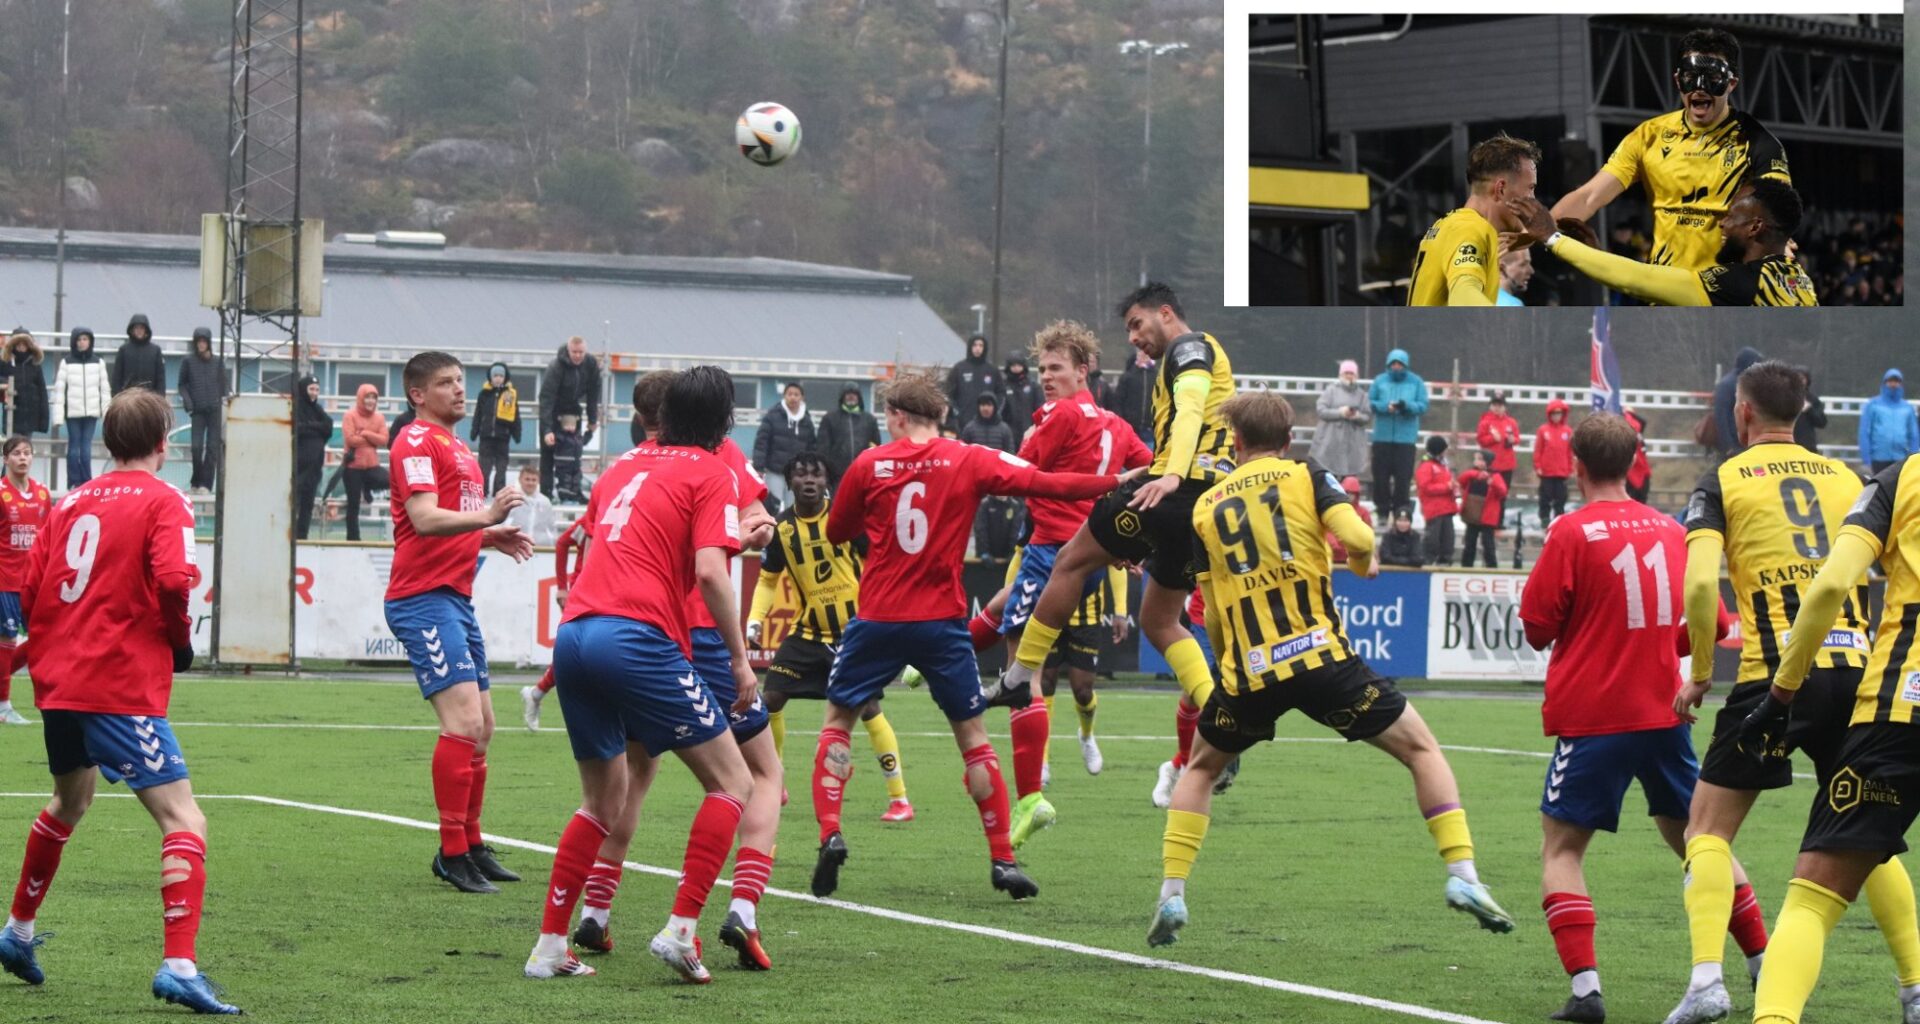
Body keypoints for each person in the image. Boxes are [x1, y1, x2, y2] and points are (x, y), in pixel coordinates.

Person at [1147, 390, 1514, 947]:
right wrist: (1364, 563)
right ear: (1288, 439)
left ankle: (1172, 894)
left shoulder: (1204, 508)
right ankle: (1463, 875)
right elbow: (1360, 538)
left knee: (1199, 769)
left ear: (1237, 443)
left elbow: (1214, 608)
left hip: (1250, 671)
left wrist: (1228, 670)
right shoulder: (1304, 473)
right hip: (1322, 661)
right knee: (1422, 750)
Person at [806, 371, 1127, 901]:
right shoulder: (969, 458)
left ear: (897, 416)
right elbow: (1046, 482)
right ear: (941, 417)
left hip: (879, 618)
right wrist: (1115, 482)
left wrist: (875, 516)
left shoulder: (869, 464)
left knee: (838, 721)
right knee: (973, 739)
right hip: (941, 622)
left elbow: (837, 531)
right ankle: (1003, 859)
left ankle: (831, 833)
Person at [1665, 360, 1920, 1024]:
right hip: (1862, 673)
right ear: (1802, 413)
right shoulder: (1850, 476)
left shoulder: (1722, 478)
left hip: (1773, 675)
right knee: (1867, 831)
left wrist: (1697, 671)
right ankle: (1914, 985)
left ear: (1742, 414)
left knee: (1707, 829)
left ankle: (1705, 983)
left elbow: (1697, 586)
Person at [0, 390, 240, 1013]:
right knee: (185, 820)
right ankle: (179, 965)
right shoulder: (168, 500)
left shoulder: (69, 500)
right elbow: (172, 579)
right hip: (118, 686)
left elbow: (28, 592)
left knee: (69, 801)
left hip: (60, 685)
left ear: (108, 442)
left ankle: (18, 931)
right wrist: (179, 642)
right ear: (165, 442)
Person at [524, 366, 761, 984]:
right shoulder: (714, 471)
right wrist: (739, 659)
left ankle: (550, 946)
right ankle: (682, 930)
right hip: (636, 636)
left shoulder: (621, 467)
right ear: (724, 421)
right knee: (734, 782)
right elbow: (711, 571)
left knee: (602, 800)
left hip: (574, 636)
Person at [990, 283, 1237, 812]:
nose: (1134, 339)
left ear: (1165, 313)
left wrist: (1168, 477)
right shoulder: (1193, 360)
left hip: (1181, 489)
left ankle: (1016, 675)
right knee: (1161, 621)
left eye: (1137, 325)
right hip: (1204, 502)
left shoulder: (1188, 351)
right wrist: (1155, 471)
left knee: (1072, 559)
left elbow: (1192, 411)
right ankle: (1218, 711)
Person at [1518, 414, 1701, 1024]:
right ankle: (1759, 961)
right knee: (1701, 843)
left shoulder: (1570, 531)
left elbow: (1538, 626)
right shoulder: (1673, 531)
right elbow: (1707, 627)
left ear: (1574, 465)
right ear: (1635, 461)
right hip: (1665, 712)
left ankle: (1587, 992)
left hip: (1596, 716)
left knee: (1562, 850)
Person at [962, 321, 1153, 844]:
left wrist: (1012, 449)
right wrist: (1127, 534)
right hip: (1082, 551)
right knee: (1002, 609)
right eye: (1043, 369)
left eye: (1056, 368)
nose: (1047, 377)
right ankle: (929, 660)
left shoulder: (1064, 414)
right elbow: (1148, 471)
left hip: (1054, 552)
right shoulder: (1114, 422)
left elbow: (1021, 471)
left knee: (1024, 666)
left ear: (1083, 369)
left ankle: (1031, 796)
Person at [1747, 451, 1920, 1024]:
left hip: (1901, 708)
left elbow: (1828, 589)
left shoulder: (1903, 479)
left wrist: (1782, 690)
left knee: (1812, 900)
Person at [383, 352, 534, 896]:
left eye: (460, 382)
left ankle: (470, 843)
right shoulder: (415, 441)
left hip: (453, 598)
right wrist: (488, 518)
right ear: (417, 394)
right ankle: (450, 853)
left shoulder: (460, 448)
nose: (459, 391)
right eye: (445, 383)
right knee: (464, 725)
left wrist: (487, 535)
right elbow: (423, 519)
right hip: (422, 597)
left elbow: (449, 521)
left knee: (484, 728)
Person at [750, 451, 913, 823]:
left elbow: (879, 562)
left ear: (828, 482)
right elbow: (768, 579)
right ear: (789, 480)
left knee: (869, 709)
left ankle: (900, 798)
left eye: (817, 474)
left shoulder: (848, 520)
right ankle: (775, 782)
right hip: (807, 634)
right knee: (769, 700)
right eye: (801, 473)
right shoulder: (782, 528)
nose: (809, 480)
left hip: (853, 634)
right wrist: (755, 620)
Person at [1551, 27, 1790, 273]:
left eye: (1712, 78)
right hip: (1664, 292)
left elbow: (1779, 212)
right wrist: (1535, 232)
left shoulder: (1759, 143)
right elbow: (1589, 196)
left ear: (1731, 84)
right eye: (1691, 76)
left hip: (1726, 294)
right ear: (1678, 80)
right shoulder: (1648, 136)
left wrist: (1782, 241)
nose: (1700, 88)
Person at [521, 370, 675, 733]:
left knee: (581, 654)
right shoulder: (611, 497)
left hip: (599, 588)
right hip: (593, 588)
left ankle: (540, 693)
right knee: (586, 653)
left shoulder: (615, 485)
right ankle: (541, 693)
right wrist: (563, 585)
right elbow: (564, 542)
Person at [1507, 183, 1817, 307]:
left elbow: (1640, 280)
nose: (1722, 224)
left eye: (1732, 218)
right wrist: (1598, 257)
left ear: (1755, 227)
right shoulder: (1797, 279)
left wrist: (1551, 237)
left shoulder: (1741, 283)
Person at [1407, 133, 1539, 306]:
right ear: (1501, 190)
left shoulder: (1450, 224)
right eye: (1530, 188)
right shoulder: (1470, 230)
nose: (1533, 199)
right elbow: (1463, 292)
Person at [0, 437, 48, 725]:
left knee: (43, 640)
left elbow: (48, 537)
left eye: (27, 453)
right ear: (6, 459)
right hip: (5, 579)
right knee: (7, 639)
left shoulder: (42, 494)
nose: (23, 458)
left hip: (34, 581)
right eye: (17, 453)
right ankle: (4, 705)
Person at [538, 336, 600, 498]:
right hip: (553, 411)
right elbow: (546, 398)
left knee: (574, 453)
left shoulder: (591, 365)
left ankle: (573, 491)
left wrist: (592, 420)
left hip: (573, 411)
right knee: (548, 455)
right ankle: (546, 493)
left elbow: (593, 394)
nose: (578, 356)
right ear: (568, 350)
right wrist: (547, 429)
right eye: (574, 352)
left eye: (581, 352)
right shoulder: (556, 367)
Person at [1368, 348, 1428, 516]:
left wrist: (1406, 407)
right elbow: (1370, 402)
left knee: (1403, 478)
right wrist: (1384, 407)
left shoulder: (1416, 382)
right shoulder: (1380, 381)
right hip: (1382, 436)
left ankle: (1401, 510)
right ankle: (1382, 509)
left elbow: (1423, 405)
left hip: (1405, 438)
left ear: (1405, 365)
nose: (1396, 367)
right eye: (1393, 363)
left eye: (1400, 364)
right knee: (1380, 477)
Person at [50, 328, 109, 488]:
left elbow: (104, 389)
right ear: (74, 342)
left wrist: (107, 413)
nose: (82, 342)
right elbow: (60, 390)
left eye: (85, 339)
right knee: (74, 447)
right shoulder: (67, 362)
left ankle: (86, 480)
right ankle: (73, 480)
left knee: (86, 448)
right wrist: (58, 416)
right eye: (79, 339)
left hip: (91, 411)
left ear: (90, 341)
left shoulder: (98, 362)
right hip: (73, 412)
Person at [174, 329, 225, 494]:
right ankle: (196, 481)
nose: (201, 344)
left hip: (215, 411)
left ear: (209, 343)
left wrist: (223, 402)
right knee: (196, 448)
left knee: (212, 449)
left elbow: (224, 385)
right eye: (199, 341)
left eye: (204, 341)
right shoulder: (188, 361)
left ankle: (206, 485)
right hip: (197, 411)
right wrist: (189, 403)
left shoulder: (217, 362)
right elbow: (182, 385)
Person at [337, 384, 388, 542]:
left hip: (372, 465)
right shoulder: (349, 415)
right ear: (360, 398)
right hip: (352, 467)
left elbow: (384, 440)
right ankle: (353, 539)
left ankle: (367, 488)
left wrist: (365, 433)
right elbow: (350, 440)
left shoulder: (379, 417)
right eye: (367, 397)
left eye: (374, 397)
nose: (371, 401)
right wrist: (373, 440)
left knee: (390, 480)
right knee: (353, 505)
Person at [752, 382, 816, 508]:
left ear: (802, 398)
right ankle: (771, 528)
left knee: (794, 508)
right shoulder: (772, 416)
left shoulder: (807, 421)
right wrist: (758, 466)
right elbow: (761, 442)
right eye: (790, 394)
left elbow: (812, 448)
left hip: (797, 474)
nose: (793, 397)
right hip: (774, 471)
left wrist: (811, 469)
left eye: (796, 394)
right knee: (772, 506)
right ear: (784, 396)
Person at [1309, 359, 1370, 480]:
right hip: (1330, 441)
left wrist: (1356, 416)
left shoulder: (1362, 395)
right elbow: (1321, 410)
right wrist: (1340, 413)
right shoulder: (1331, 390)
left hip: (1353, 444)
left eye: (1351, 373)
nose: (1349, 376)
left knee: (1349, 479)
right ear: (1340, 374)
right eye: (1346, 373)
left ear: (1356, 375)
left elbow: (1367, 416)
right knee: (1328, 477)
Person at [470, 362, 521, 495]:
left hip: (503, 435)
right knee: (484, 466)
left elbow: (516, 415)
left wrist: (517, 433)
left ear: (505, 377)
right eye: (495, 375)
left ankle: (499, 491)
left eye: (501, 376)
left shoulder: (510, 394)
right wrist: (474, 431)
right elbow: (478, 413)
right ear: (490, 377)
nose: (498, 378)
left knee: (501, 466)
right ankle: (483, 490)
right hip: (486, 435)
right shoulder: (484, 394)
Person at [292, 377, 333, 540]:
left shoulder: (318, 410)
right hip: (300, 465)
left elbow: (328, 426)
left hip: (315, 467)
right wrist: (318, 428)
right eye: (311, 389)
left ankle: (302, 535)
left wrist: (311, 426)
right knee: (294, 502)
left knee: (308, 504)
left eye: (317, 389)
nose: (314, 393)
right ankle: (290, 535)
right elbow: (299, 429)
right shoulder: (296, 408)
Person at [817, 384, 880, 486]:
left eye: (854, 394)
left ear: (859, 397)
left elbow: (875, 446)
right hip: (836, 475)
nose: (851, 397)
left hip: (862, 473)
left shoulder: (869, 420)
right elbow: (823, 447)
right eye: (848, 394)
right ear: (842, 397)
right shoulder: (829, 419)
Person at [1859, 368, 1918, 475]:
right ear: (1884, 383)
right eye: (1890, 381)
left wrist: (1914, 459)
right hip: (1878, 459)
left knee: (1899, 491)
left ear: (1901, 384)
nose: (1893, 384)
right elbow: (1864, 433)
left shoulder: (1907, 407)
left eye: (1896, 381)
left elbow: (1914, 435)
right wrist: (1866, 460)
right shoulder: (1873, 405)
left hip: (1901, 459)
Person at [1457, 450, 1509, 569]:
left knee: (1488, 544)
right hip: (1472, 515)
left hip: (1487, 517)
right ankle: (1466, 566)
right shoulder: (1471, 474)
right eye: (1476, 459)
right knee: (1469, 543)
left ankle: (1491, 566)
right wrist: (1476, 475)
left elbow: (1502, 492)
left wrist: (1493, 483)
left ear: (1487, 462)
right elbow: (1461, 481)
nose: (1476, 461)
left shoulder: (1495, 476)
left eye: (1480, 459)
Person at [1714, 348, 1766, 460]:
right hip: (1735, 444)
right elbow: (1721, 416)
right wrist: (1728, 446)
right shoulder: (1727, 385)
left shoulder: (1752, 383)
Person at [943, 333, 1000, 434]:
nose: (977, 348)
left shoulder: (992, 370)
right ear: (970, 347)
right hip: (963, 423)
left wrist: (995, 411)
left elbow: (1001, 394)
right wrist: (957, 412)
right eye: (975, 345)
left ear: (984, 348)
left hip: (987, 425)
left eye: (980, 345)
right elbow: (948, 394)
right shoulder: (959, 368)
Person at [1416, 434, 1459, 566]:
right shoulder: (1426, 466)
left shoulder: (1442, 466)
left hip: (1447, 508)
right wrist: (1447, 487)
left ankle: (1445, 561)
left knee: (1448, 540)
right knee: (1432, 540)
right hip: (1434, 509)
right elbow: (1425, 487)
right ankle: (1427, 561)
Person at [1, 331, 48, 442]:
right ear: (13, 345)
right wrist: (7, 383)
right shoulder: (5, 363)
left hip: (30, 413)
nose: (21, 347)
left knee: (26, 445)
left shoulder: (35, 364)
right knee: (13, 445)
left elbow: (42, 390)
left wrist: (43, 418)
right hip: (12, 412)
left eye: (24, 344)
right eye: (18, 344)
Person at [1534, 399, 1574, 526]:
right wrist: (1538, 466)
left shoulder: (1567, 431)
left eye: (1559, 413)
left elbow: (1570, 452)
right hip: (1546, 471)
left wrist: (1570, 468)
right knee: (1545, 497)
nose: (1556, 416)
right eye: (1554, 414)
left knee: (1561, 497)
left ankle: (1558, 518)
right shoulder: (1543, 430)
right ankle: (1544, 518)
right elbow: (1538, 450)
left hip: (1561, 472)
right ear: (1549, 415)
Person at [1110, 348, 1157, 447]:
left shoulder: (1158, 376)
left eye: (1147, 352)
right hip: (1131, 429)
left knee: (1150, 459)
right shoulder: (1128, 376)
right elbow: (1118, 401)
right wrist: (1123, 422)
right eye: (1141, 352)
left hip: (1150, 430)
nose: (1144, 354)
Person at [109, 314, 166, 397]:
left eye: (142, 328)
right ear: (132, 330)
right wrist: (116, 397)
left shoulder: (155, 350)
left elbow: (160, 378)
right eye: (136, 328)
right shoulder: (124, 350)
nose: (139, 331)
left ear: (146, 330)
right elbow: (117, 377)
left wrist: (160, 398)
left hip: (150, 397)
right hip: (127, 397)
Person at [505, 463, 558, 547]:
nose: (530, 483)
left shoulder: (545, 502)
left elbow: (551, 528)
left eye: (534, 480)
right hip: (514, 548)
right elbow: (503, 525)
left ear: (538, 481)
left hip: (540, 549)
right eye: (527, 479)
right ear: (520, 479)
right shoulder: (511, 499)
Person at [1324, 475, 1374, 563]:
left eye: (1352, 493)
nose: (1350, 496)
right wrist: (1333, 543)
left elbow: (1367, 532)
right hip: (1333, 556)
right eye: (1347, 493)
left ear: (1357, 495)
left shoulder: (1364, 512)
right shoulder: (1335, 509)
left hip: (1355, 559)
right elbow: (1327, 529)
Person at [1476, 391, 1520, 486]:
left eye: (1500, 405)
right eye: (1494, 405)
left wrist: (1513, 440)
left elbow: (1517, 438)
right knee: (1489, 492)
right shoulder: (1485, 422)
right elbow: (1480, 440)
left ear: (1504, 407)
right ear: (1490, 406)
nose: (1497, 408)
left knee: (1504, 491)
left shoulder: (1511, 422)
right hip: (1490, 464)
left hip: (1507, 464)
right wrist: (1493, 438)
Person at [1000, 354, 1042, 439]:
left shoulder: (1033, 385)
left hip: (1028, 429)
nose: (1016, 368)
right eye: (1013, 365)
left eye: (1019, 365)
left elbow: (1039, 407)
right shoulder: (1003, 385)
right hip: (1009, 431)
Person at [1624, 409, 1654, 504]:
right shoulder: (1633, 436)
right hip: (1632, 475)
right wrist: (1628, 412)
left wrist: (1627, 412)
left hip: (1638, 475)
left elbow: (1643, 422)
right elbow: (1642, 422)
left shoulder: (1637, 435)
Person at [1793, 374, 1826, 454]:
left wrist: (1809, 409)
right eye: (1796, 378)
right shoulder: (1784, 397)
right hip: (1787, 443)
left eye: (1802, 378)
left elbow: (1822, 422)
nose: (1800, 381)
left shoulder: (1812, 399)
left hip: (1807, 444)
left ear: (1807, 380)